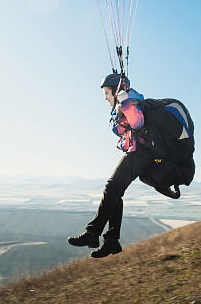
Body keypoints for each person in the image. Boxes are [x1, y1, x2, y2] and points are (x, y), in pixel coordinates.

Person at [67, 72, 156, 258]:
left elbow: (138, 122)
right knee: (116, 193)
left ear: (116, 91)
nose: (106, 98)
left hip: (140, 153)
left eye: (107, 93)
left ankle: (93, 234)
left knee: (111, 187)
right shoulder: (126, 101)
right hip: (138, 152)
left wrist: (124, 101)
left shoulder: (129, 100)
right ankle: (111, 241)